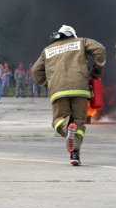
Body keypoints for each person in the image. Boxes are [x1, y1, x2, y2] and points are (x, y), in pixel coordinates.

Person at [31, 25, 106, 166]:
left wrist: (49, 84)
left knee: (58, 120)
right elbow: (100, 49)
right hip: (81, 89)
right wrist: (97, 71)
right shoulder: (81, 42)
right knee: (79, 122)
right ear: (72, 35)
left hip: (58, 90)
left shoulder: (47, 50)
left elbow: (35, 70)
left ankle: (66, 128)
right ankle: (75, 154)